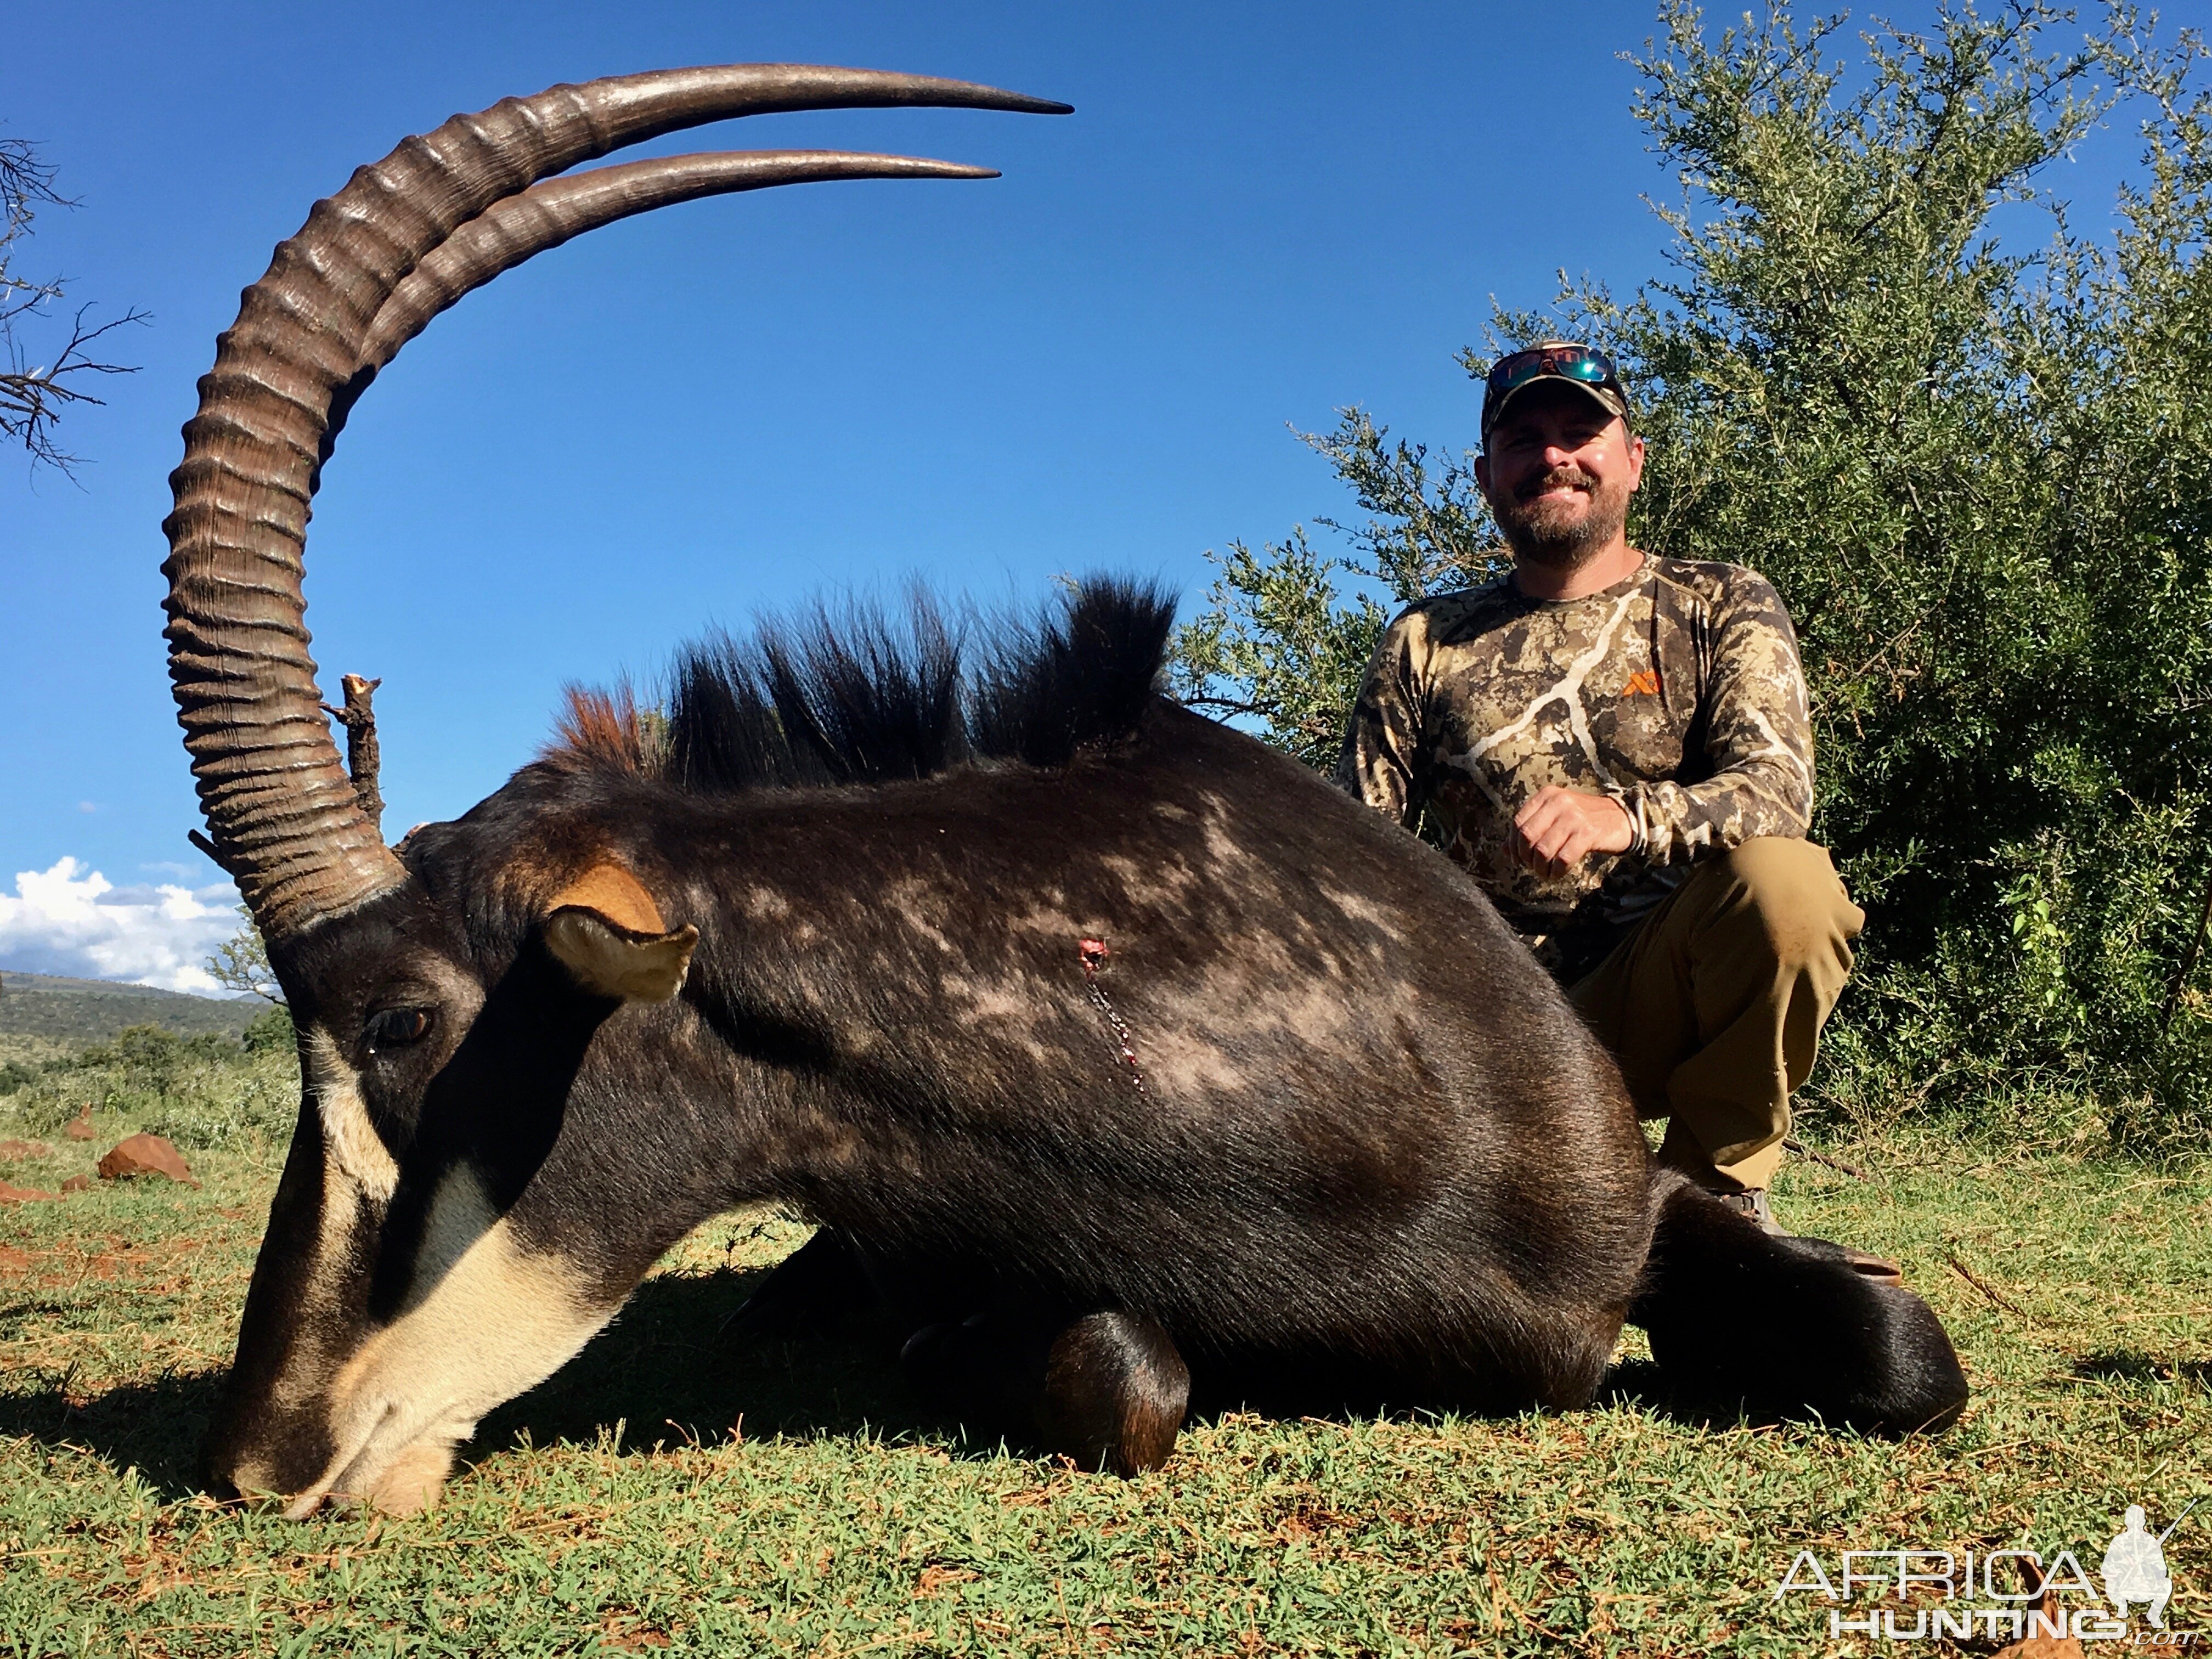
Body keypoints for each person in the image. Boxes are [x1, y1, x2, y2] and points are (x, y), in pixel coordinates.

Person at [1335, 340, 1878, 1257]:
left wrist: (1623, 817)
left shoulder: (1719, 602)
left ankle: (1715, 1200)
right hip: (1483, 1020)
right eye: (1524, 440)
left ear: (1632, 458)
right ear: (1486, 476)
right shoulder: (1424, 638)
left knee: (1792, 888)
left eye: (1581, 432)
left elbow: (1778, 794)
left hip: (1654, 993)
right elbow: (1354, 849)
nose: (1554, 456)